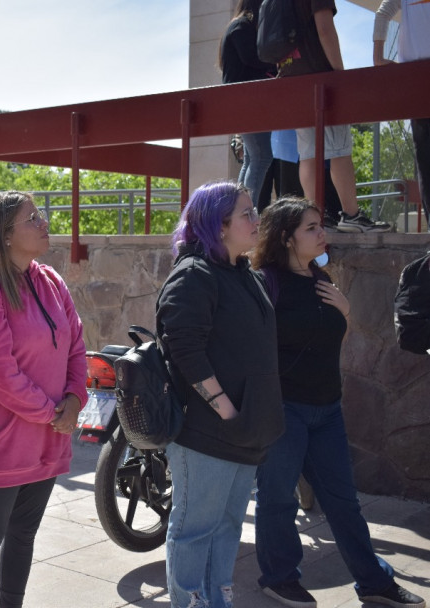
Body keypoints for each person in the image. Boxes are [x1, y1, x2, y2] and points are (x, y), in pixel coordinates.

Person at [251, 198, 426, 608]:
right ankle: (279, 577)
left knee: (343, 502)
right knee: (277, 498)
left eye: (319, 225)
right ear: (286, 238)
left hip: (326, 409)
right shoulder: (263, 283)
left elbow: (326, 344)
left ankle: (374, 582)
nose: (321, 232)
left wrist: (344, 316)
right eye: (311, 228)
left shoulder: (320, 278)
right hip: (285, 409)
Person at [156, 180, 284, 608]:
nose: (256, 219)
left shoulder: (242, 272)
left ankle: (217, 601)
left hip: (244, 434)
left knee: (228, 525)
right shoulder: (195, 275)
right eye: (247, 213)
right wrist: (227, 408)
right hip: (207, 434)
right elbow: (184, 347)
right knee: (195, 528)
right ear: (219, 225)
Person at [0, 190, 88, 608]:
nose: (44, 222)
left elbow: (77, 346)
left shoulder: (49, 279)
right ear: (5, 234)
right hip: (0, 441)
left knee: (23, 535)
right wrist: (54, 412)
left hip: (47, 435)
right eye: (32, 218)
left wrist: (75, 398)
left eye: (40, 214)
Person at [279, 0, 391, 233]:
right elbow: (325, 28)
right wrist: (340, 74)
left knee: (308, 153)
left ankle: (315, 218)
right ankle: (351, 215)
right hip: (322, 77)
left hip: (292, 80)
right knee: (340, 148)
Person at [373, 0, 430, 224]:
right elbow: (382, 12)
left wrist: (378, 55)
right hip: (415, 80)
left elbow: (382, 13)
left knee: (426, 162)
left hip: (415, 80)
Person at [219, 0, 275, 204]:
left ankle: (239, 211)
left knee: (253, 158)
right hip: (246, 102)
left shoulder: (237, 26)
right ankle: (247, 213)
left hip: (243, 102)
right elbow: (254, 58)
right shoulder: (241, 26)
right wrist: (281, 62)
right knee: (262, 157)